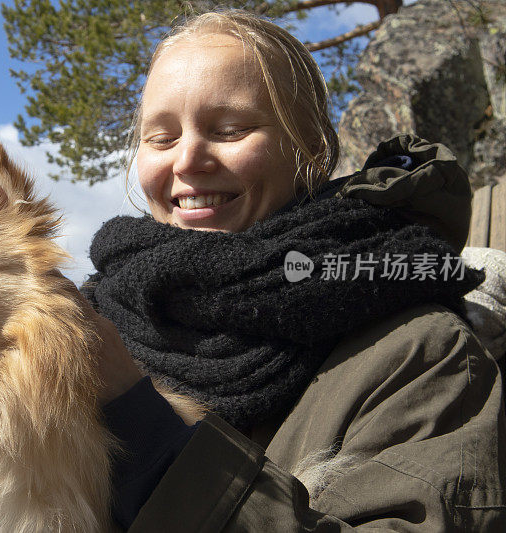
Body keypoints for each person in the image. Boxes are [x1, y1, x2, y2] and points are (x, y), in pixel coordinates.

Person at [79, 9, 506, 532]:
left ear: (310, 149)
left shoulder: (423, 354)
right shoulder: (86, 326)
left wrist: (150, 436)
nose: (187, 159)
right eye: (161, 138)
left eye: (230, 130)